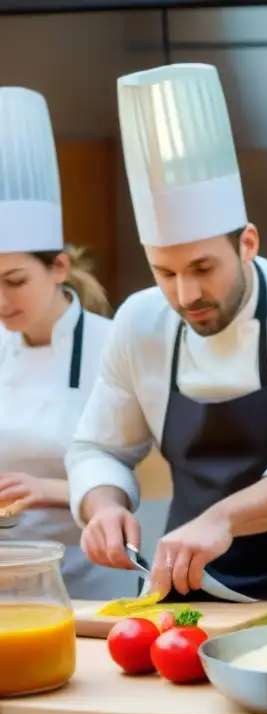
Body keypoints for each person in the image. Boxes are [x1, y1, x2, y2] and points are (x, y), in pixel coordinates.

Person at [66, 62, 267, 603]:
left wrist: (222, 518)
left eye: (203, 268)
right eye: (164, 273)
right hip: (197, 588)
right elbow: (99, 447)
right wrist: (105, 507)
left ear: (248, 244)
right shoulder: (139, 322)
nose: (186, 294)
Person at [0, 87, 138, 600]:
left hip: (98, 578)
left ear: (58, 266)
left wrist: (49, 491)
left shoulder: (113, 345)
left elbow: (129, 475)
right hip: (8, 577)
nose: (1, 300)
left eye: (15, 280)